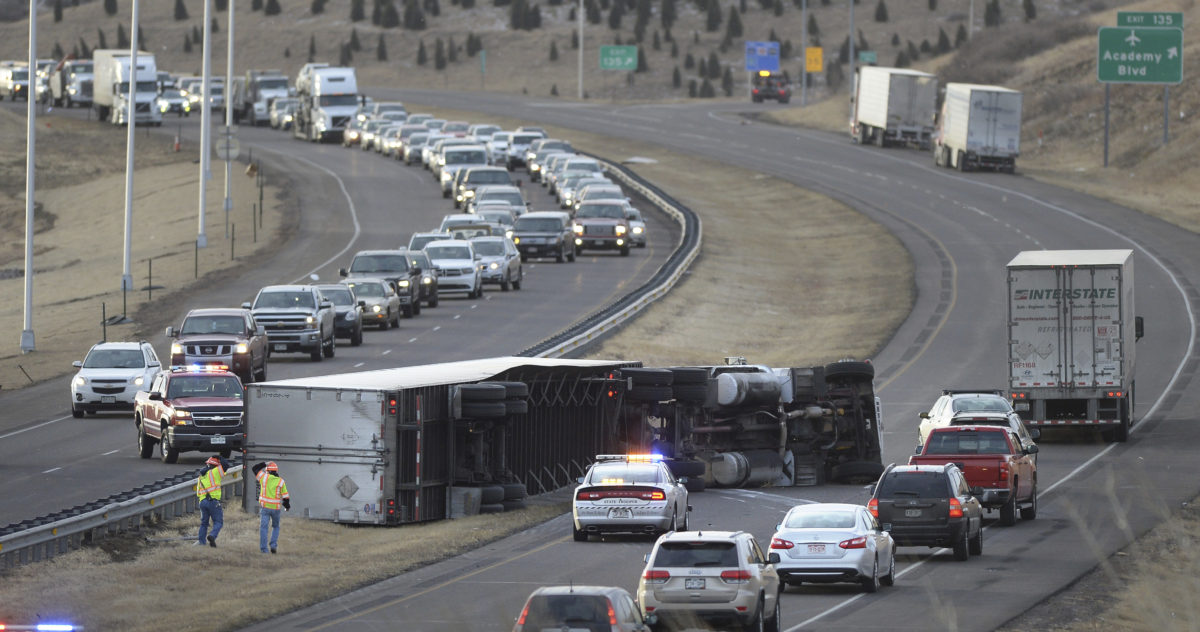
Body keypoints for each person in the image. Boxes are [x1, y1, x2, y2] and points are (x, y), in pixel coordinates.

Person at [253, 461, 290, 554]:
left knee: (264, 528)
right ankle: (273, 545)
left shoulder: (264, 478)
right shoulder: (281, 481)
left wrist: (264, 463)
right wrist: (287, 506)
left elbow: (254, 468)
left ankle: (264, 550)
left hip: (265, 508)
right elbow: (285, 497)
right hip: (276, 509)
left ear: (268, 471)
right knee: (276, 527)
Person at [195, 455, 231, 547]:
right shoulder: (215, 472)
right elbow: (226, 465)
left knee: (204, 523)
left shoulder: (201, 476)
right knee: (218, 522)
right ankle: (212, 536)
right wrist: (220, 457)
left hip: (202, 502)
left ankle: (202, 542)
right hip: (213, 502)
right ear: (216, 465)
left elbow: (198, 493)